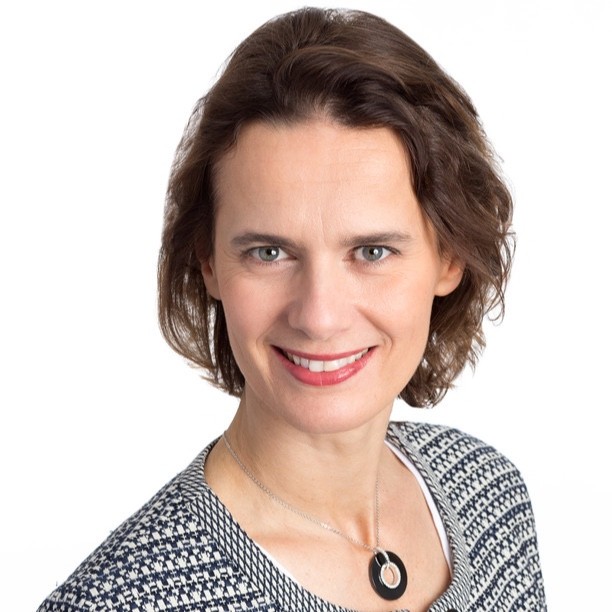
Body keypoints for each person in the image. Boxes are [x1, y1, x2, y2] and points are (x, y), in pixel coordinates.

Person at [38, 7, 546, 611]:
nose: (319, 316)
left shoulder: (489, 498)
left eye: (372, 251)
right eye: (270, 252)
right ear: (208, 261)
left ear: (450, 257)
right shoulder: (125, 599)